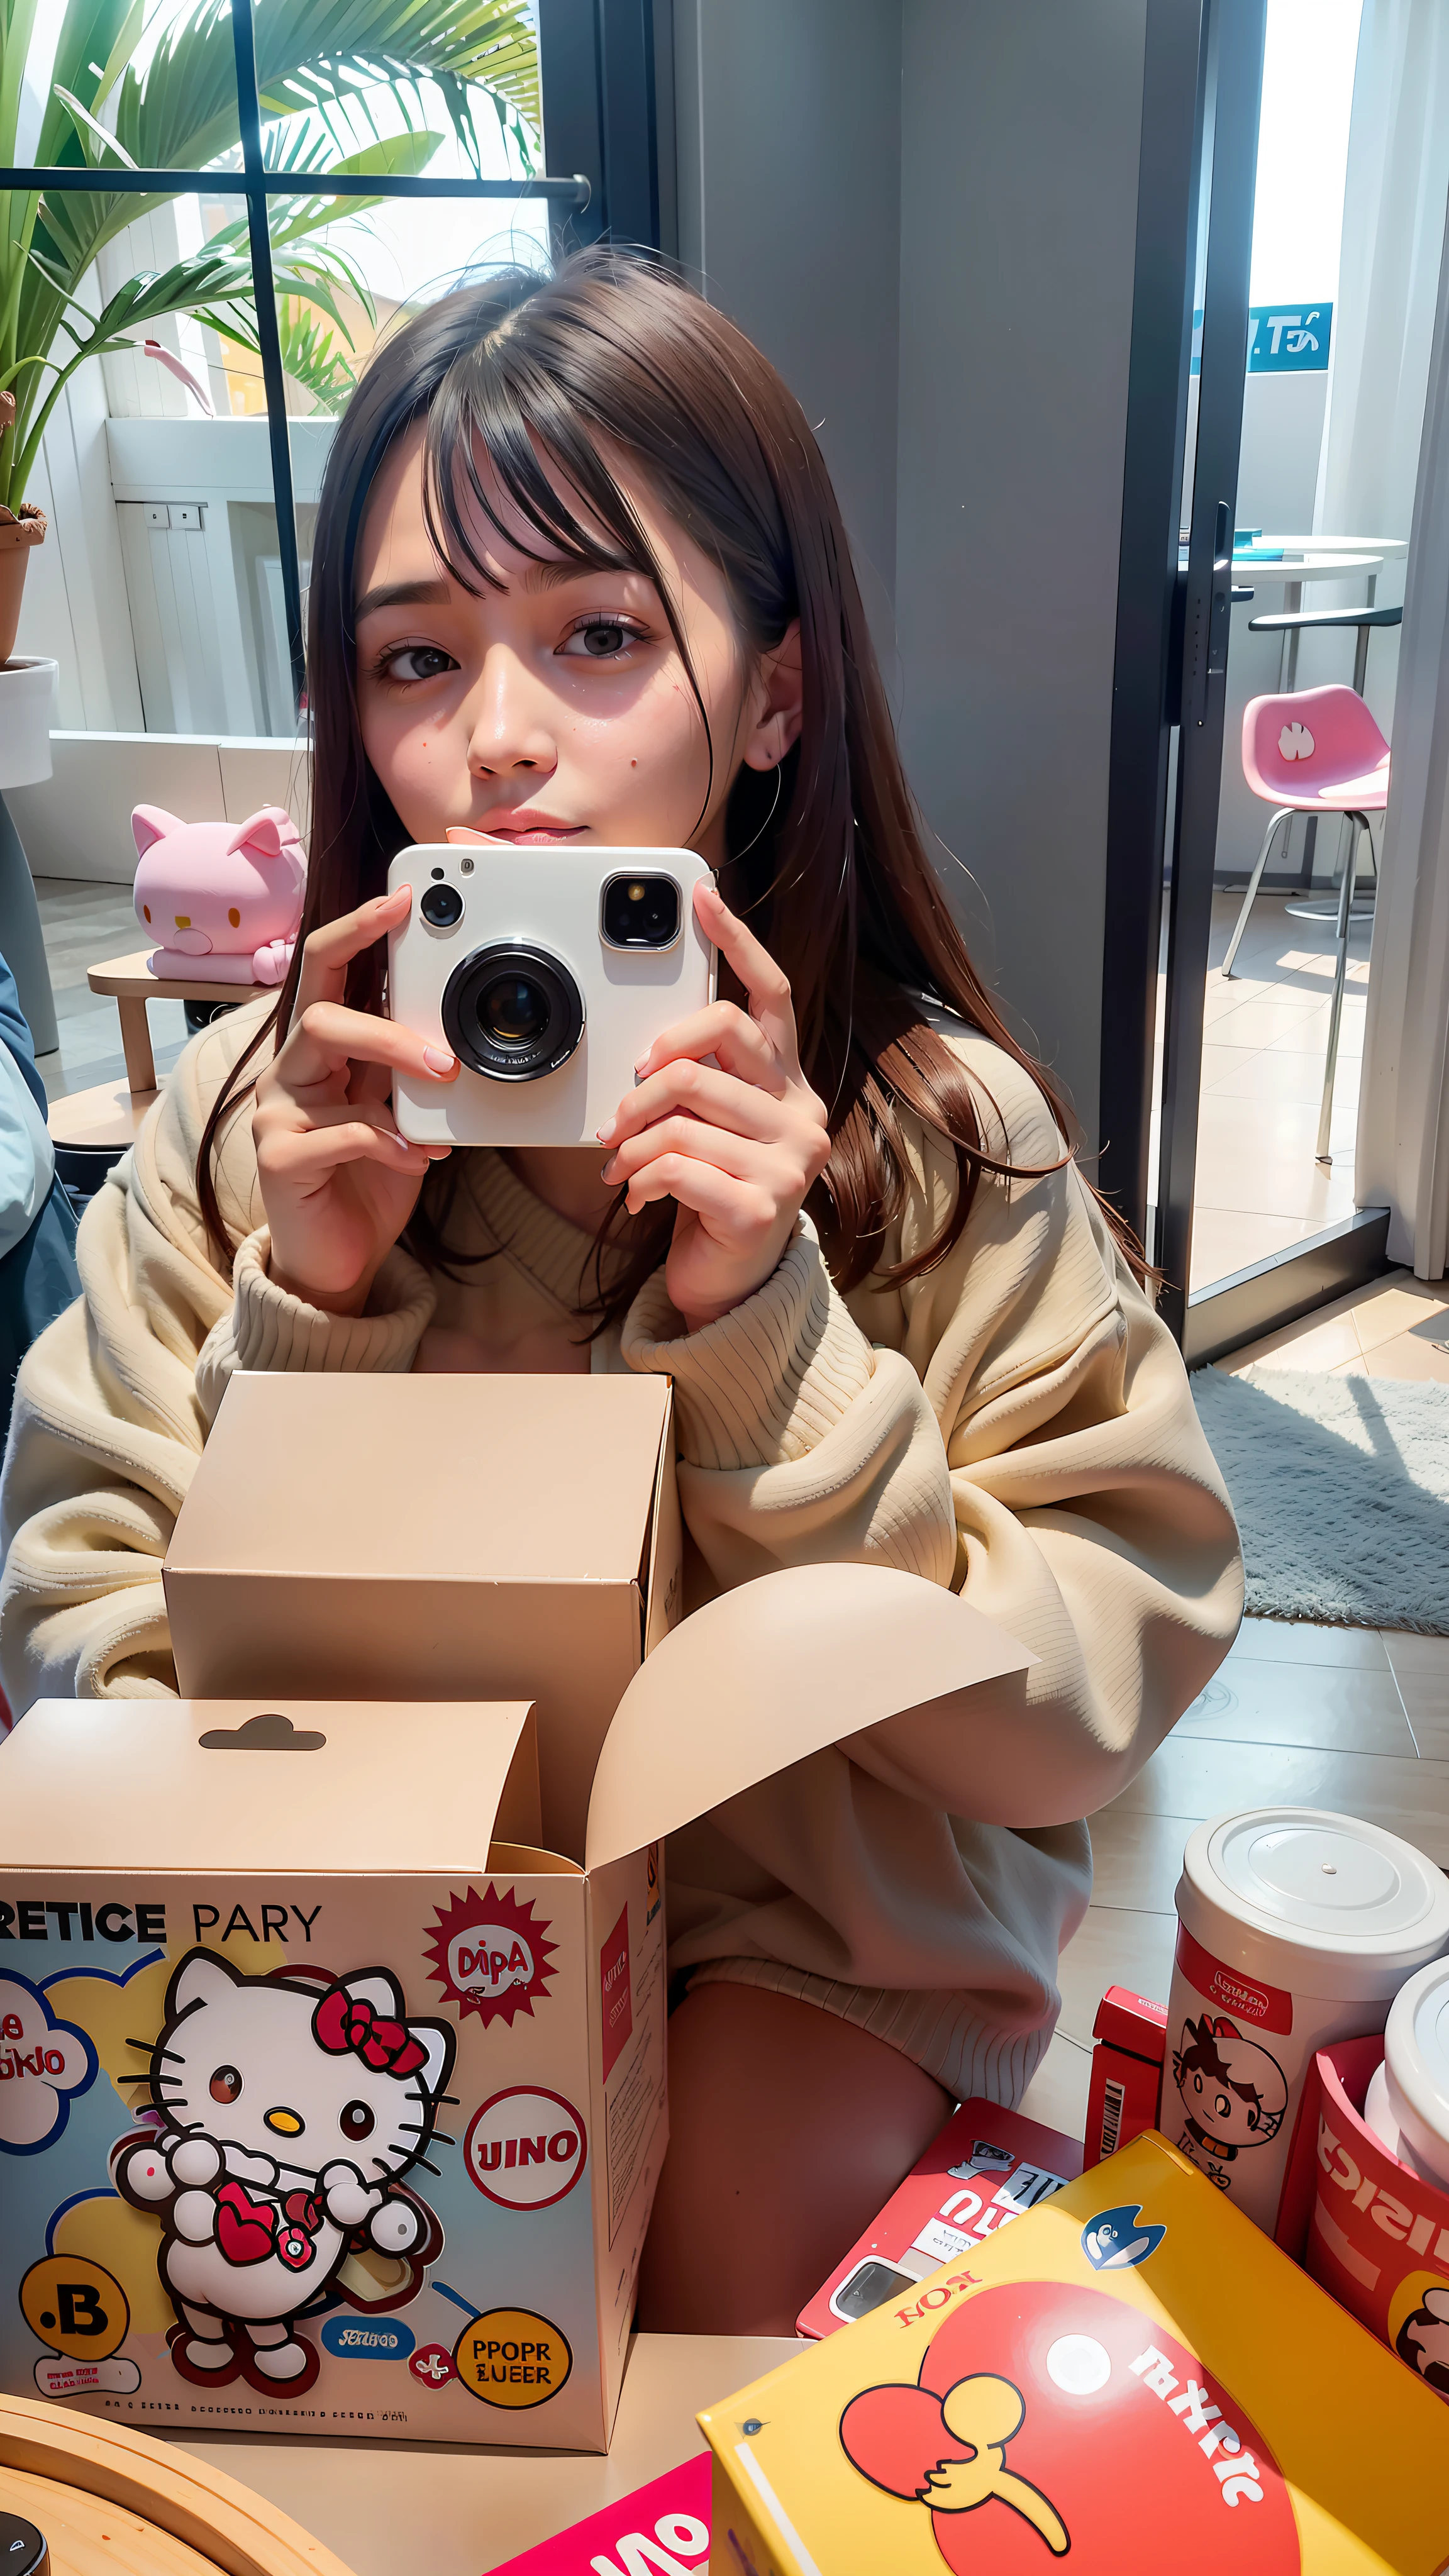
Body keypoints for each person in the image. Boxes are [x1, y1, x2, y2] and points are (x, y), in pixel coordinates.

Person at [0, 251, 1241, 2332]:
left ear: (772, 691)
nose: (494, 741)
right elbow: (81, 1635)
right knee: (260, 2308)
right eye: (412, 662)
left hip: (814, 1935)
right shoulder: (253, 1120)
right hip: (369, 1888)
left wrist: (772, 1336)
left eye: (594, 636)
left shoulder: (931, 1134)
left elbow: (1072, 1718)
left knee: (672, 2321)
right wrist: (309, 1326)